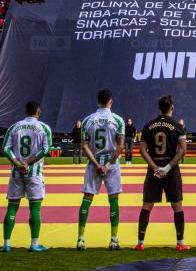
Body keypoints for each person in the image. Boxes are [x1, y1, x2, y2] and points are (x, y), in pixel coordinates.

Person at [135, 94, 188, 251]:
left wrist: (154, 167)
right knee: (177, 205)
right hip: (171, 171)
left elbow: (142, 150)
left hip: (154, 171)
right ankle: (180, 243)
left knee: (147, 205)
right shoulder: (178, 126)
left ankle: (140, 242)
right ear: (172, 108)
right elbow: (183, 150)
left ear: (159, 108)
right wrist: (168, 168)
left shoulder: (148, 126)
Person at [77, 89, 125, 251]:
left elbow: (84, 145)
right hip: (112, 165)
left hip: (93, 164)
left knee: (87, 199)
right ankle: (114, 240)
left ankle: (80, 239)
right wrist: (108, 165)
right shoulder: (117, 120)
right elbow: (120, 146)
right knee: (113, 200)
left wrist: (97, 164)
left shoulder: (87, 120)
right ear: (110, 101)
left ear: (98, 102)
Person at [2, 101, 51, 252]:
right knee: (35, 208)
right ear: (38, 111)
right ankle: (34, 244)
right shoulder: (43, 127)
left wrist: (18, 163)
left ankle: (6, 245)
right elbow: (46, 150)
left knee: (12, 207)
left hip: (16, 172)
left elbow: (5, 149)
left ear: (25, 111)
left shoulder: (14, 127)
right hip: (34, 173)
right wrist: (28, 163)